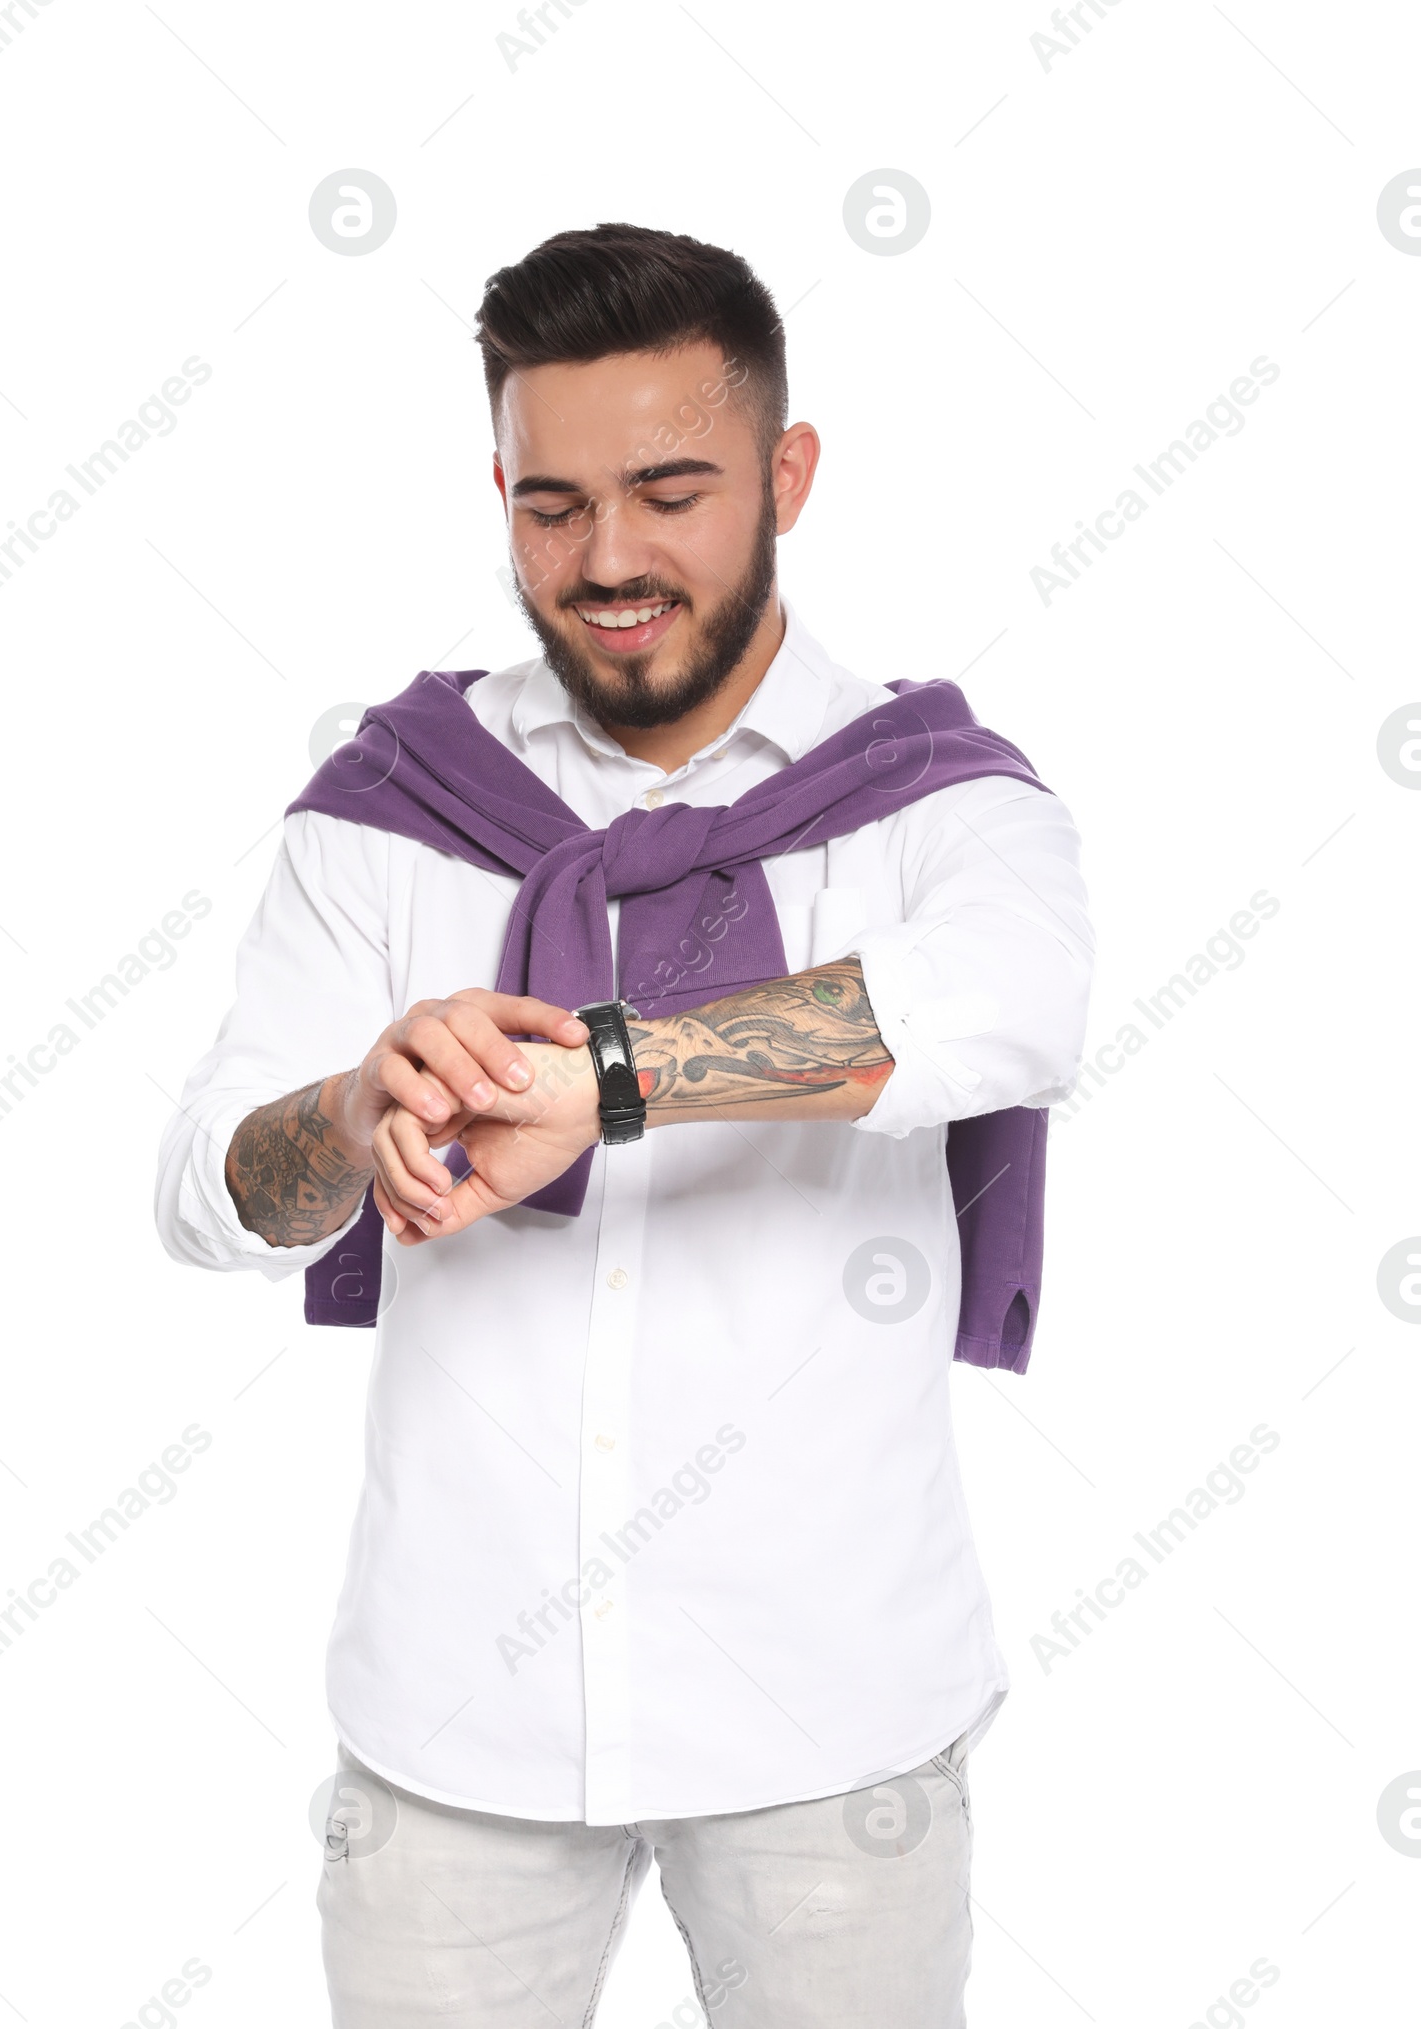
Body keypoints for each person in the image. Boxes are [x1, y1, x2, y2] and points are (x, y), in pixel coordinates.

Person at [155, 221, 1094, 2027]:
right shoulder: (390, 811)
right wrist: (356, 1105)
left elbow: (1010, 1000)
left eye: (672, 490)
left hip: (838, 1724)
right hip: (454, 1726)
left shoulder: (931, 800)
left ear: (788, 474)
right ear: (498, 487)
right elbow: (205, 1190)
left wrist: (603, 1074)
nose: (610, 561)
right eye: (552, 504)